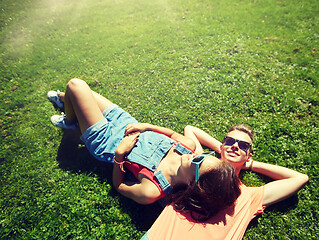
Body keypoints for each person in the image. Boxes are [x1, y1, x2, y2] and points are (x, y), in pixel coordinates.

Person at [47, 78, 241, 212]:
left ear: (193, 184)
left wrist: (120, 155)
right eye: (205, 155)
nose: (197, 155)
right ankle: (69, 107)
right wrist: (147, 126)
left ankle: (71, 119)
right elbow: (172, 133)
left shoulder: (152, 191)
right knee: (79, 92)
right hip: (126, 122)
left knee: (76, 85)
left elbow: (120, 185)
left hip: (105, 140)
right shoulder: (187, 146)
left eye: (198, 162)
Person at [141, 124, 309, 240]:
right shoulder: (199, 166)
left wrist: (247, 165)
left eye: (243, 146)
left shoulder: (250, 197)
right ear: (221, 146)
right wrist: (225, 150)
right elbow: (190, 130)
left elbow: (300, 178)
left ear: (249, 155)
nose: (235, 146)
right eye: (230, 141)